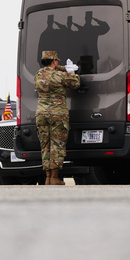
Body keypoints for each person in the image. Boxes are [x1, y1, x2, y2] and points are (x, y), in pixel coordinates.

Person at [34, 50, 80, 185]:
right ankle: (54, 177)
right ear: (54, 61)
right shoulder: (59, 76)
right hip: (57, 114)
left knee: (45, 145)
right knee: (57, 145)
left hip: (41, 113)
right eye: (57, 61)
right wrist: (70, 71)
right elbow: (75, 83)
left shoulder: (38, 75)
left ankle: (47, 177)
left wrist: (61, 67)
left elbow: (50, 70)